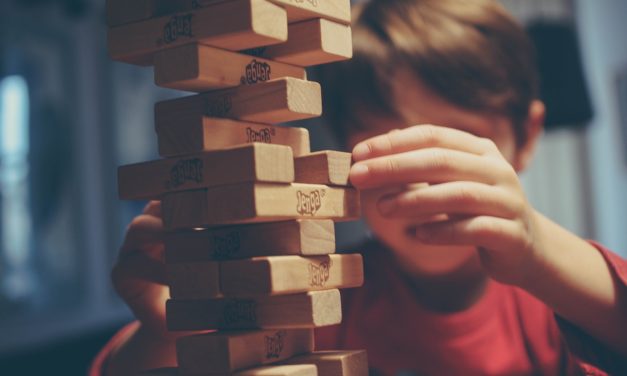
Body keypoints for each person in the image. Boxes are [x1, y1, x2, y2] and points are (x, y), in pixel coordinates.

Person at [91, 0, 627, 374]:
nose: (422, 181)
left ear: (526, 137)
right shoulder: (314, 299)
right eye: (386, 146)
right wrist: (171, 334)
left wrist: (536, 249)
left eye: (457, 144)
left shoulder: (560, 301)